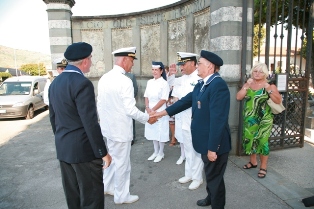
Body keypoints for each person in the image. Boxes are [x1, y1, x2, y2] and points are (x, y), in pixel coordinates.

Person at [153, 50, 231, 208]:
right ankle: (210, 197)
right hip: (204, 140)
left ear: (209, 67)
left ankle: (217, 205)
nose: (198, 67)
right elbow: (185, 102)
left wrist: (212, 148)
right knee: (211, 175)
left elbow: (218, 120)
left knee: (215, 177)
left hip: (214, 143)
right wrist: (161, 113)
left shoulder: (218, 85)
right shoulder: (203, 84)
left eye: (200, 64)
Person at [48, 42, 112, 209]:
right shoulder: (82, 83)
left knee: (73, 197)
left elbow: (54, 119)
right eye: (90, 58)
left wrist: (63, 141)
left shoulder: (55, 83)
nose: (91, 61)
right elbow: (90, 123)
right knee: (91, 199)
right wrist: (102, 152)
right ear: (85, 61)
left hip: (64, 148)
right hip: (84, 152)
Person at [97, 46, 157, 205]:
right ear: (124, 60)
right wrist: (147, 118)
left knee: (111, 159)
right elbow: (130, 109)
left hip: (108, 130)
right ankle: (121, 196)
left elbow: (100, 105)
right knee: (122, 164)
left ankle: (107, 186)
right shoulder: (125, 81)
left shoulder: (104, 78)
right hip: (121, 132)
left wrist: (104, 125)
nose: (132, 65)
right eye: (131, 61)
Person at [236, 62, 281, 178]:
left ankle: (263, 166)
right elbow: (238, 97)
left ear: (265, 73)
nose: (257, 73)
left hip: (264, 119)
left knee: (262, 142)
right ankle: (253, 162)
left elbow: (277, 101)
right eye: (255, 71)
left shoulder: (270, 85)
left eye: (260, 71)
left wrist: (269, 89)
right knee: (250, 139)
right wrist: (246, 86)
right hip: (250, 118)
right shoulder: (249, 84)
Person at [169, 52, 204, 190]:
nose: (181, 67)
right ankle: (189, 174)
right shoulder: (182, 78)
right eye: (180, 65)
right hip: (183, 119)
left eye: (183, 64)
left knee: (196, 150)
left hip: (194, 119)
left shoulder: (199, 78)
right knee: (188, 148)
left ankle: (197, 177)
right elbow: (172, 87)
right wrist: (171, 74)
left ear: (192, 63)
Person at [144, 61, 170, 163]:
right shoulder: (149, 82)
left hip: (160, 110)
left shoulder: (164, 83)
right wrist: (147, 108)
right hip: (150, 109)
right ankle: (155, 151)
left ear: (161, 71)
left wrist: (153, 110)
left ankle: (161, 153)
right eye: (153, 70)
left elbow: (164, 99)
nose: (154, 72)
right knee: (152, 131)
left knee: (160, 132)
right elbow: (146, 96)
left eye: (156, 70)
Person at [125, 72, 138, 146]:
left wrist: (130, 98)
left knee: (131, 119)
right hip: (120, 104)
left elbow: (135, 89)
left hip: (129, 102)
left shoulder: (131, 76)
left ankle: (132, 137)